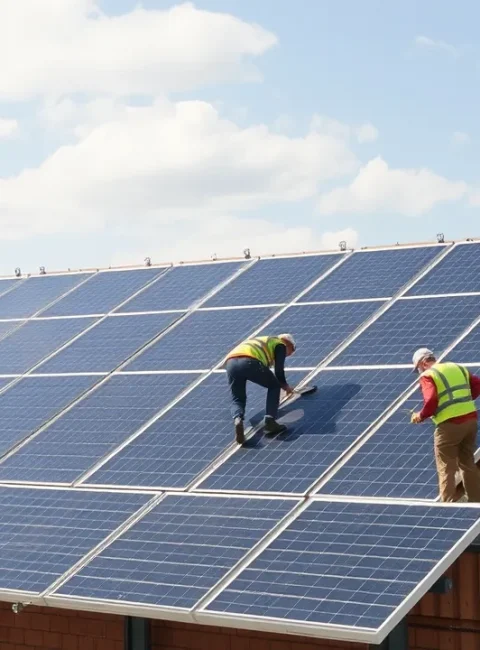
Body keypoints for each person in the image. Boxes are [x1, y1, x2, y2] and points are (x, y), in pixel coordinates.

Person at [411, 347, 480, 502]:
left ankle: (448, 505)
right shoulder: (457, 367)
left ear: (424, 363)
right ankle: (476, 501)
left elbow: (431, 400)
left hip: (449, 426)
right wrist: (463, 402)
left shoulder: (428, 375)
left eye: (419, 368)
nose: (419, 372)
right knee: (467, 462)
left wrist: (420, 416)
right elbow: (477, 385)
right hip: (470, 421)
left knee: (446, 466)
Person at [225, 334, 297, 444]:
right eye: (290, 352)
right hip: (249, 361)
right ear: (288, 344)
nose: (287, 355)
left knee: (237, 398)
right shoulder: (280, 344)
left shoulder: (263, 341)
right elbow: (279, 371)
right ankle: (270, 421)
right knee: (274, 386)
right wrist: (285, 386)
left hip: (231, 364)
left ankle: (238, 418)